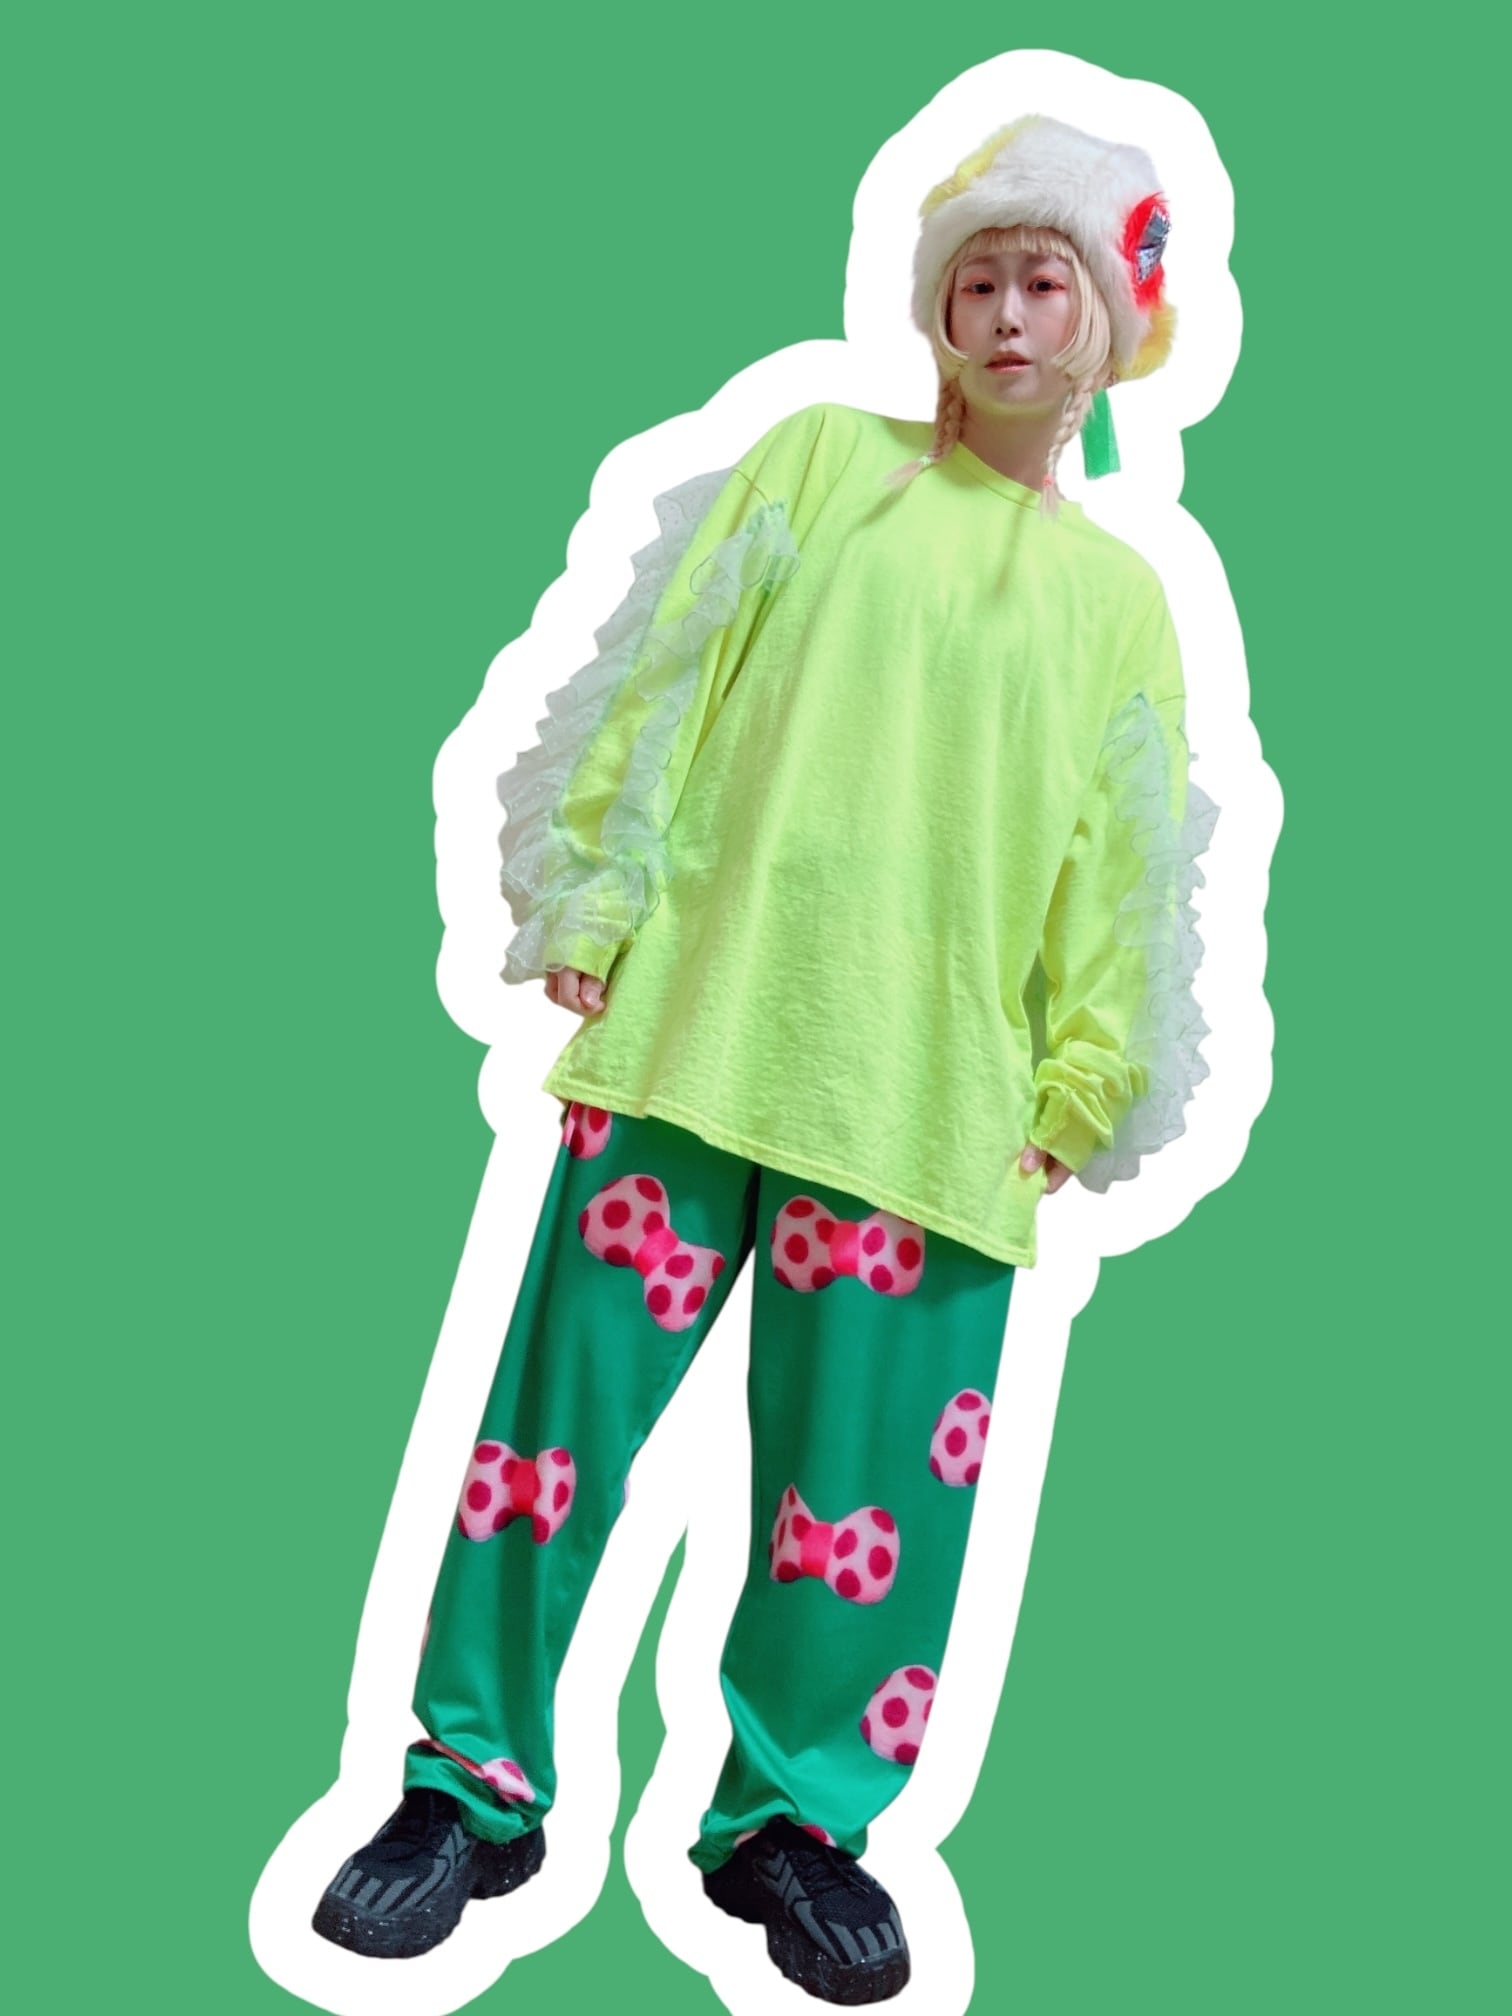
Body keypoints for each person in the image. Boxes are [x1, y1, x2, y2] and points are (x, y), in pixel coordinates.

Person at [311, 110, 1219, 2006]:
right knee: (548, 1441)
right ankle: (467, 1788)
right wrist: (591, 889)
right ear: (938, 310)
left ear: (1111, 326)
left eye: (1044, 281)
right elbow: (671, 666)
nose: (1005, 312)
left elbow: (1123, 866)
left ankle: (792, 1823)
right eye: (977, 279)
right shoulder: (818, 459)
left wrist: (1085, 1083)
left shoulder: (1118, 602)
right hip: (701, 1039)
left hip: (933, 1111)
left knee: (861, 1499)